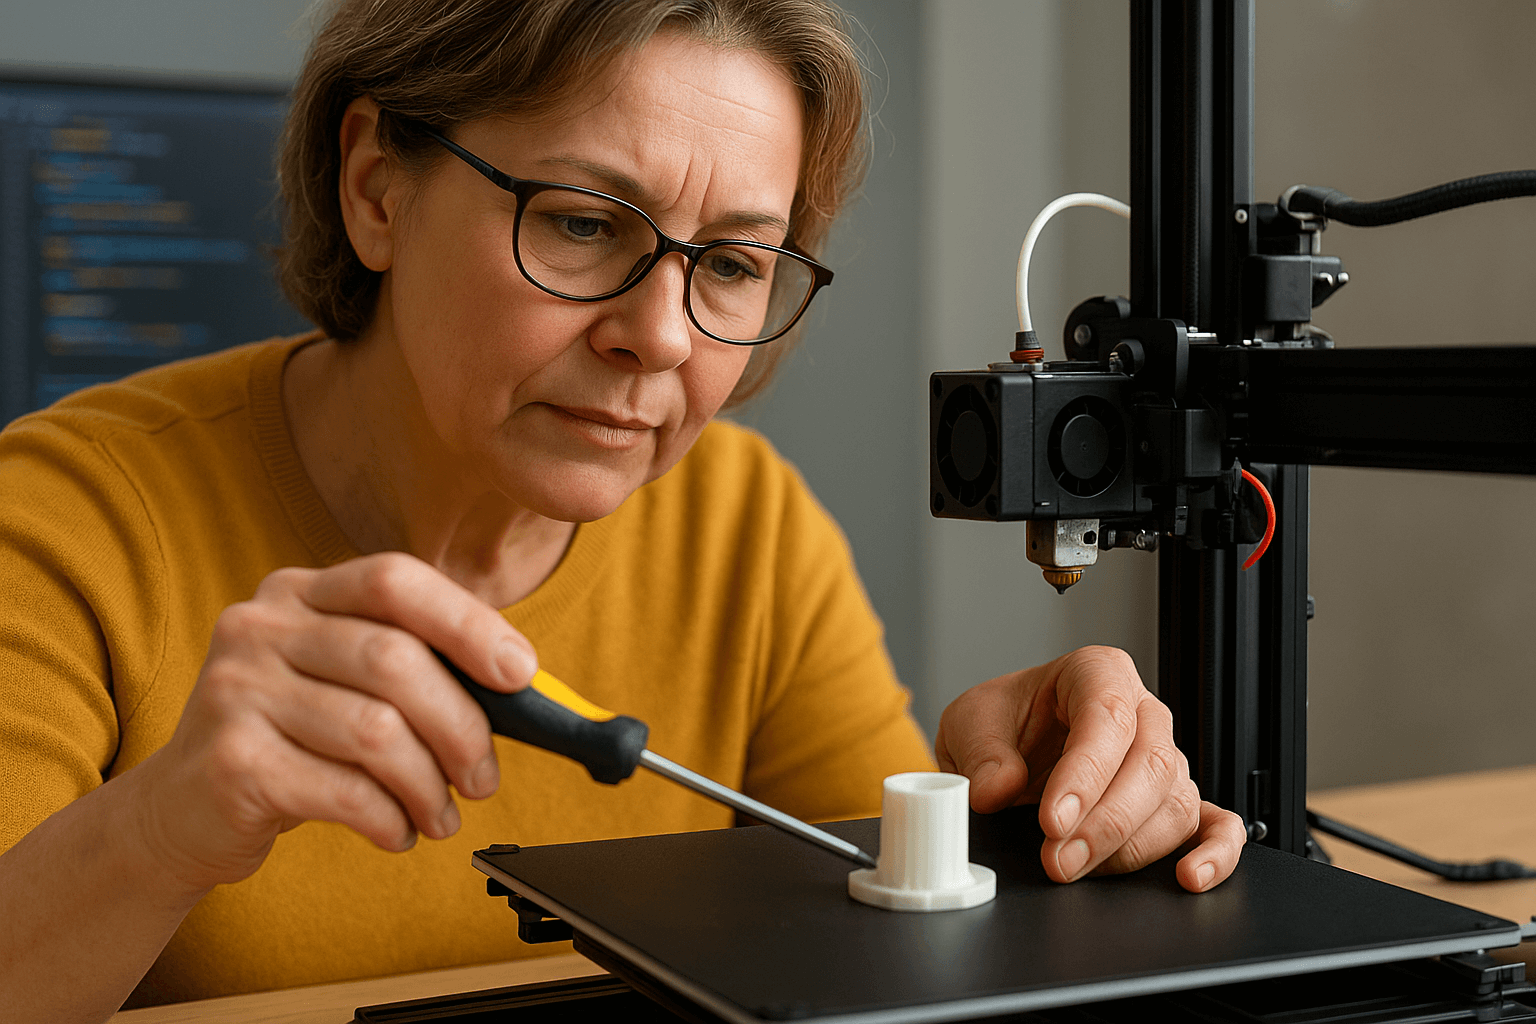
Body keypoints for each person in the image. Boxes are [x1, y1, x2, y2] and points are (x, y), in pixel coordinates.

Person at [0, 1, 1246, 1020]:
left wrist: (1016, 816)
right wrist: (162, 830)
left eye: (734, 265)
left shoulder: (746, 529)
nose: (656, 337)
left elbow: (882, 946)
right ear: (377, 186)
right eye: (587, 223)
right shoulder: (63, 523)